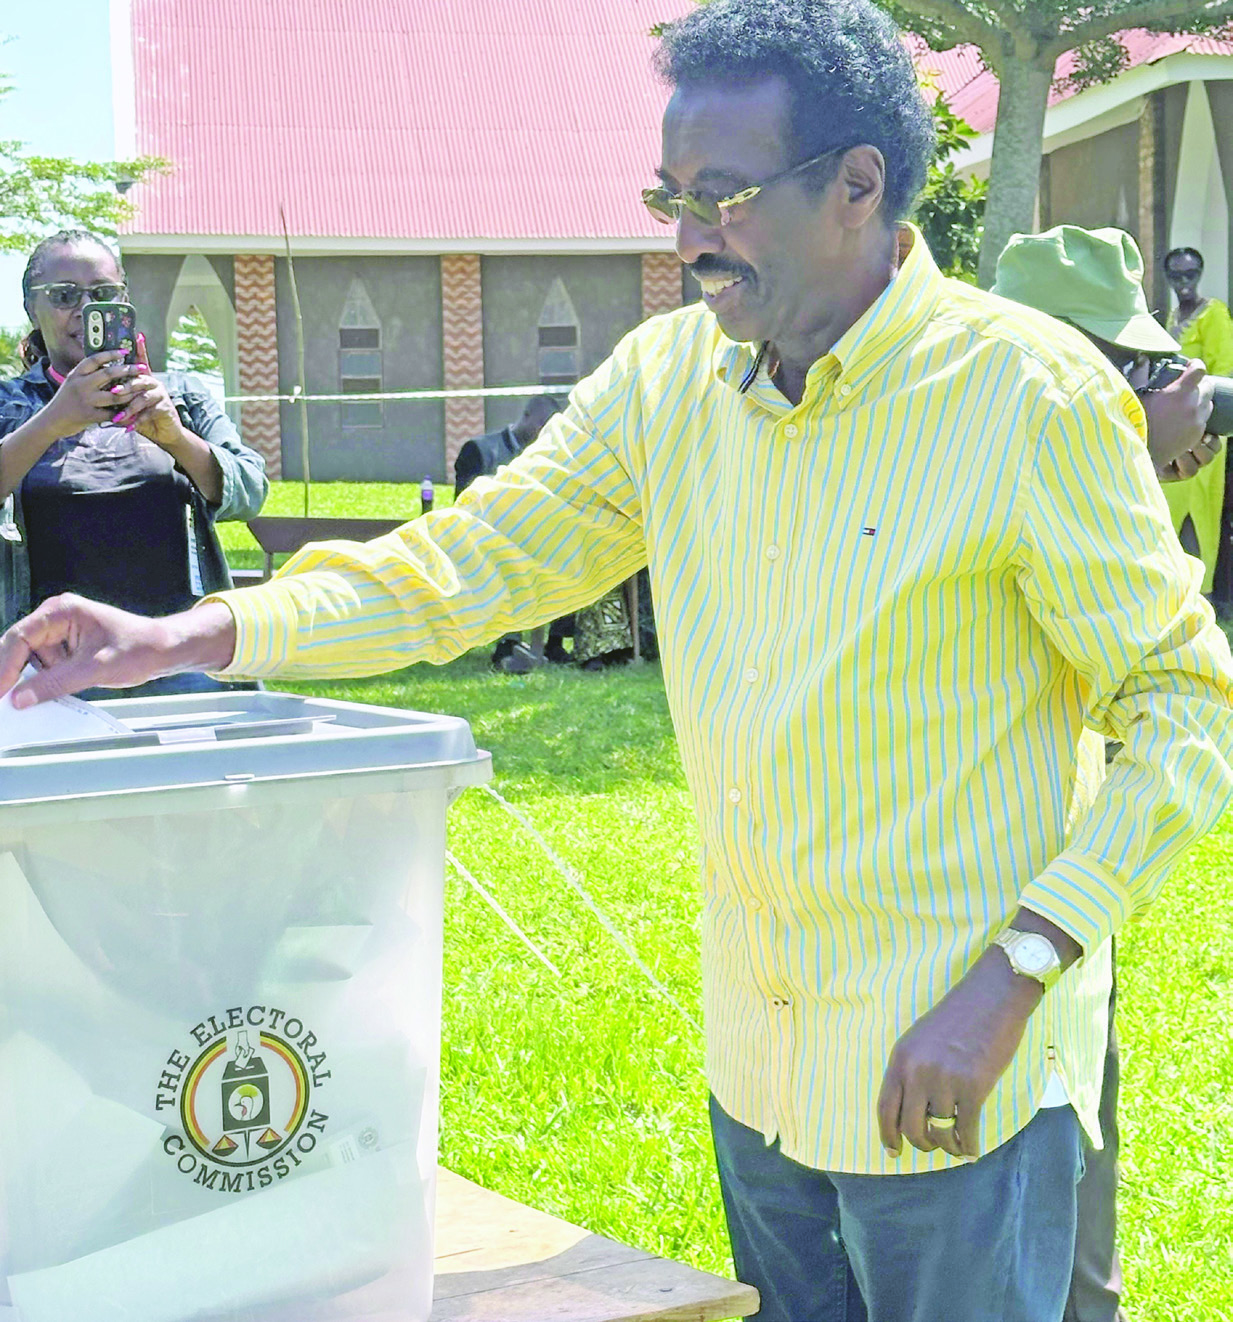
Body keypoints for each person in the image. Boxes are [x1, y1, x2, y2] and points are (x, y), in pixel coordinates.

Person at [3, 3, 1233, 1319]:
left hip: (953, 1074)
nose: (689, 235)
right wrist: (195, 630)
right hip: (763, 1071)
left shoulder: (1027, 397)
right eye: (670, 195)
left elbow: (1184, 705)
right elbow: (472, 559)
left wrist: (1015, 975)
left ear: (859, 185)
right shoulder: (671, 385)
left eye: (723, 196)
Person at [991, 224, 1222, 1322]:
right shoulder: (1001, 433)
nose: (1133, 384)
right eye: (1119, 365)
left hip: (1077, 882)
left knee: (1088, 1149)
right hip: (993, 908)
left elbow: (1152, 652)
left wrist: (1138, 469)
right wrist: (1126, 445)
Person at [0, 229, 268, 696]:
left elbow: (250, 491)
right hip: (48, 670)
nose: (85, 310)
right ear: (31, 308)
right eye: (64, 295)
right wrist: (52, 422)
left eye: (103, 295)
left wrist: (175, 437)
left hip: (177, 657)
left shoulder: (179, 396)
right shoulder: (9, 407)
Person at [454, 393, 568, 671]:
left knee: (566, 549)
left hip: (535, 538)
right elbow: (464, 504)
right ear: (526, 416)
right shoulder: (480, 450)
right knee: (516, 561)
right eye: (541, 426)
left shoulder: (548, 458)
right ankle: (508, 643)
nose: (544, 434)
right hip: (487, 539)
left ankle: (554, 644)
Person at [1160, 246, 1233, 601]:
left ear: (1200, 275)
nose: (1184, 283)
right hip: (1174, 431)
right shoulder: (1171, 316)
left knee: (1201, 514)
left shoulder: (1213, 313)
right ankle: (1175, 591)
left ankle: (1202, 595)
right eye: (1176, 275)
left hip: (1207, 431)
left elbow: (1224, 371)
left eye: (1190, 275)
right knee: (1171, 507)